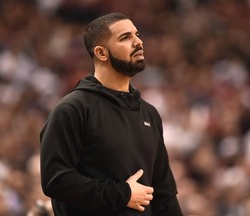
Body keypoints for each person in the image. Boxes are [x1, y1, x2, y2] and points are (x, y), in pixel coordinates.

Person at [40, 13, 183, 216]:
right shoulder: (72, 109)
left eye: (137, 34)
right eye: (125, 37)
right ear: (101, 53)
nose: (138, 42)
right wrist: (122, 194)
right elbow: (56, 180)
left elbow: (164, 194)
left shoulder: (149, 113)